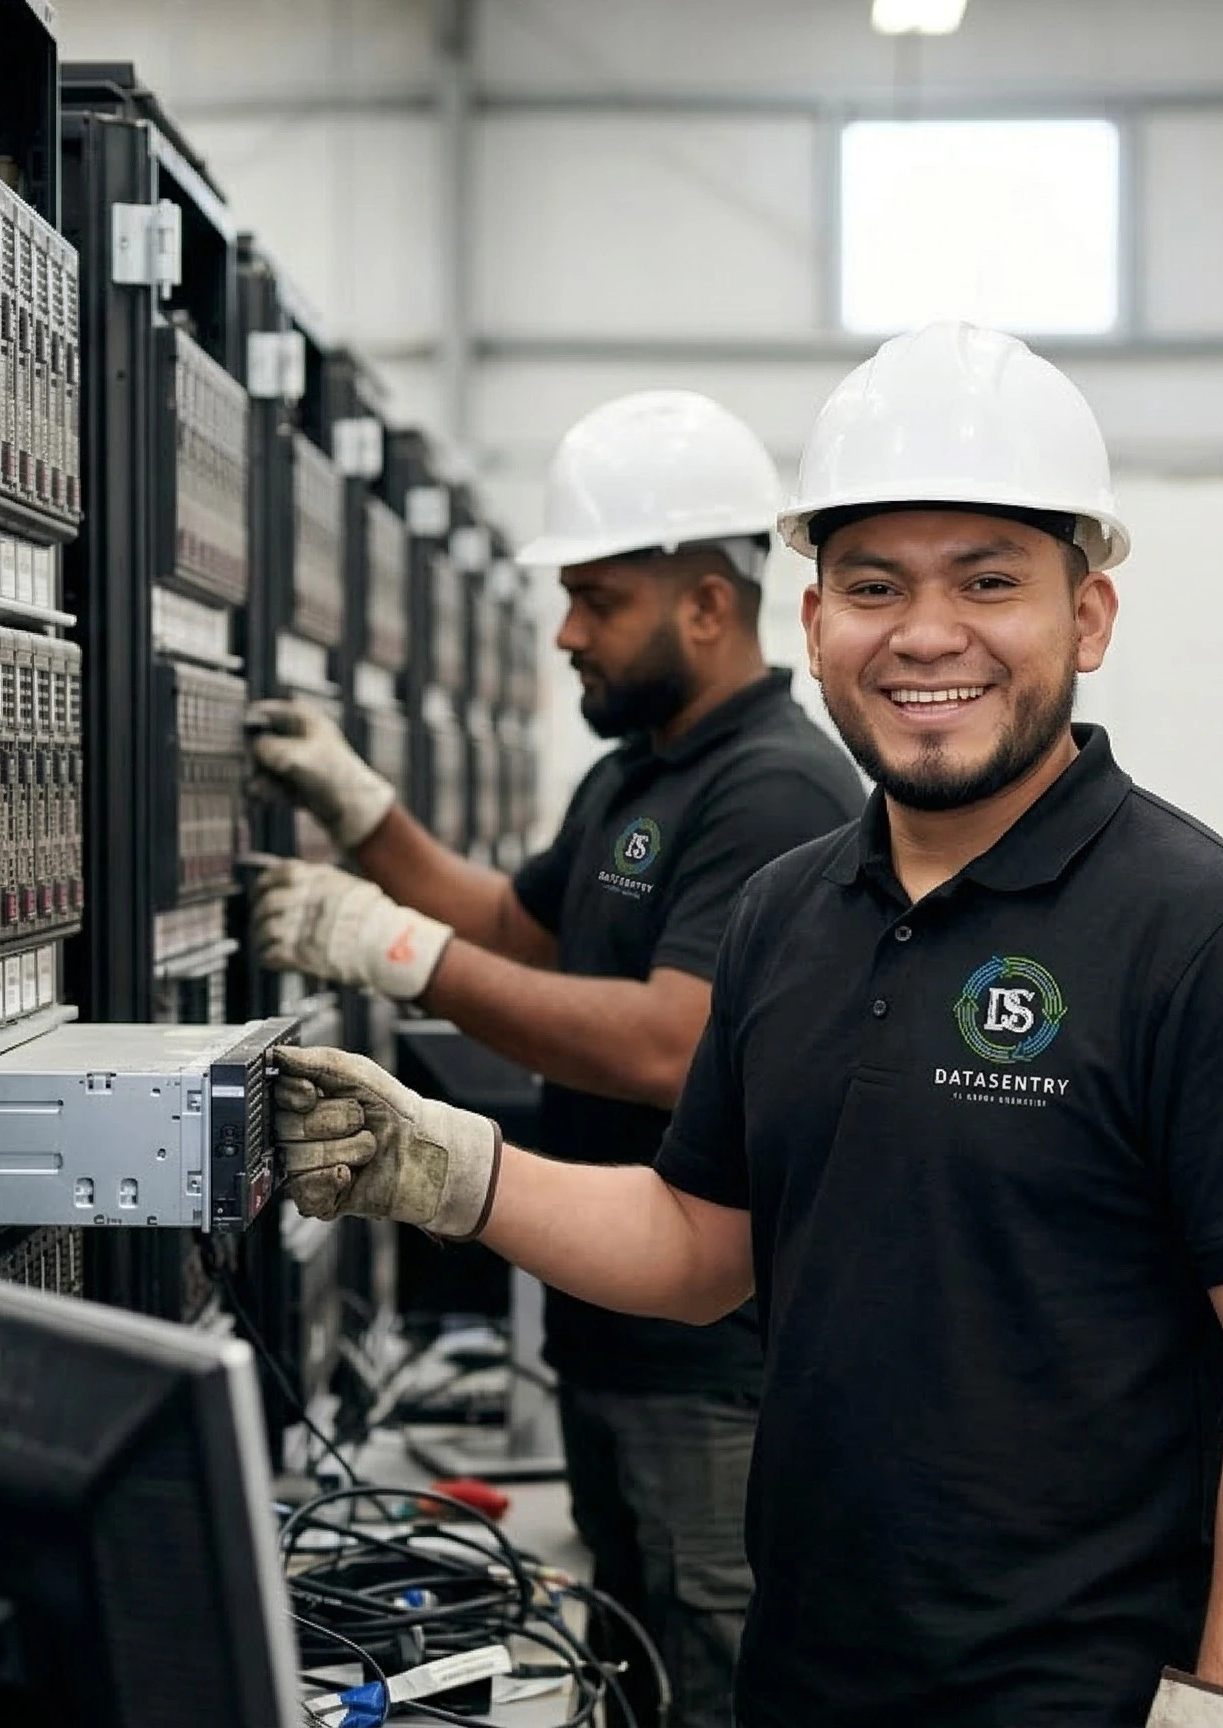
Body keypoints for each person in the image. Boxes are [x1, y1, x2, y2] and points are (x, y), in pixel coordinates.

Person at [265, 323, 1223, 1728]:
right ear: (813, 624)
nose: (926, 633)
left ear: (1088, 616)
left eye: (990, 581)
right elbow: (696, 1246)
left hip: (1073, 1698)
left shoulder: (1214, 941)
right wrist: (453, 1168)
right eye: (873, 584)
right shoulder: (788, 912)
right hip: (810, 1671)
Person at [247, 389, 864, 1728]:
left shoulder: (773, 789)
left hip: (711, 1367)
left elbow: (669, 1045)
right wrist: (363, 817)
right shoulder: (642, 774)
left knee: (717, 1675)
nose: (567, 630)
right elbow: (523, 926)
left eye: (597, 599)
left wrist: (393, 956)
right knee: (635, 1665)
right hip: (612, 1342)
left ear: (706, 603)